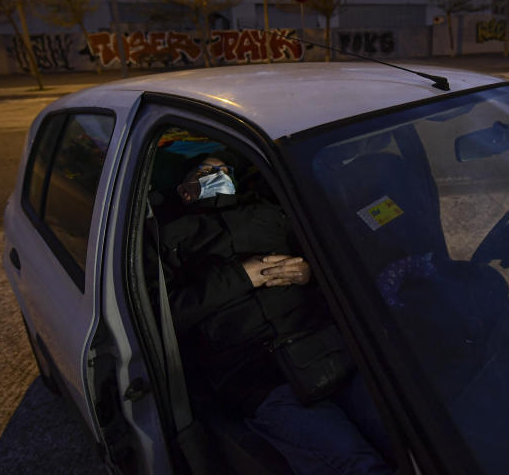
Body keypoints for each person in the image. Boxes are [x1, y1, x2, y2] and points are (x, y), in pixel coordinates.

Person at [157, 149, 392, 475]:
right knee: (354, 463)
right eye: (207, 172)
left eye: (226, 170)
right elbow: (166, 314)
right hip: (256, 373)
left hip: (326, 347)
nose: (220, 175)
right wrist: (242, 276)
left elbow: (331, 259)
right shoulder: (167, 238)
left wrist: (309, 272)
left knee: (404, 433)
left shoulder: (269, 214)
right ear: (184, 190)